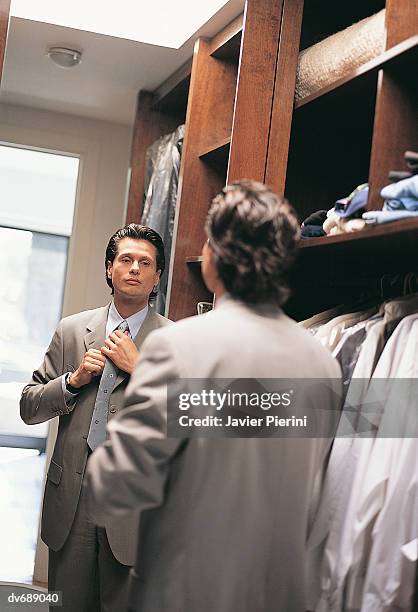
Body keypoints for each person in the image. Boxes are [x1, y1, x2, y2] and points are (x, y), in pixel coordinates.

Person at [85, 180, 342, 612]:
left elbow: (115, 489)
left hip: (187, 593)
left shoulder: (179, 349)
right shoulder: (323, 363)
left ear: (215, 259)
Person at [20, 224, 171, 612]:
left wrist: (142, 371)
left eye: (145, 263)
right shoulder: (72, 330)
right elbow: (29, 407)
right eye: (125, 259)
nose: (134, 268)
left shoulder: (177, 342)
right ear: (109, 268)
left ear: (157, 277)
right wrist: (71, 382)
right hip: (72, 499)